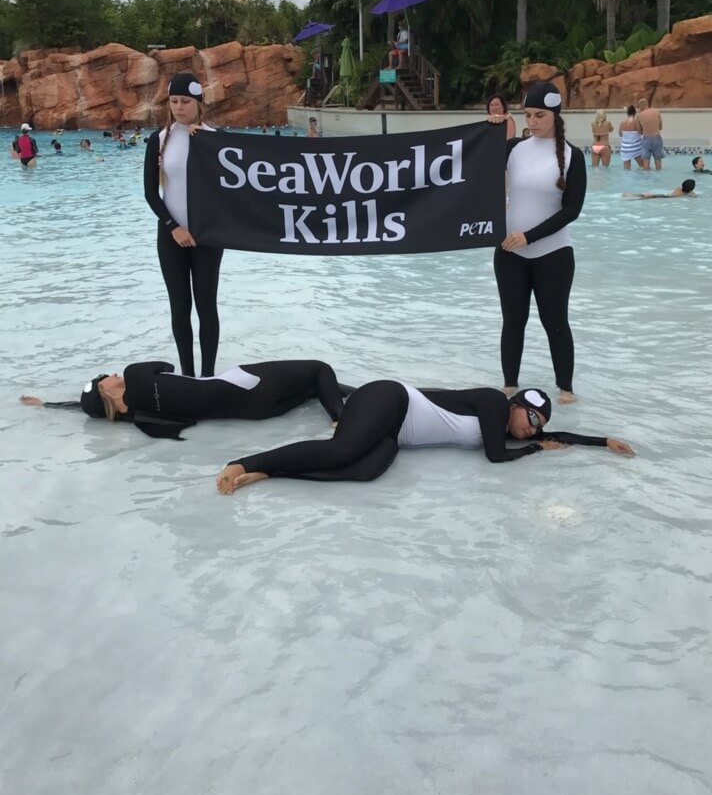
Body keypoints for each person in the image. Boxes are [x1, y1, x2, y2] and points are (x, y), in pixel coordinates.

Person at [215, 383, 634, 493]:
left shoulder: (510, 429)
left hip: (394, 431)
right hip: (391, 399)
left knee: (366, 470)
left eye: (539, 424)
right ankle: (246, 462)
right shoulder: (492, 403)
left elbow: (556, 437)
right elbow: (494, 458)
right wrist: (533, 450)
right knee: (342, 450)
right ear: (513, 405)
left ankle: (273, 474)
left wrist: (601, 442)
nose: (534, 428)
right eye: (530, 417)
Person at [488, 81, 587, 405]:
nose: (532, 121)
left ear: (555, 115)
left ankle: (566, 388)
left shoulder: (573, 157)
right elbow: (473, 168)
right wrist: (488, 132)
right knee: (513, 321)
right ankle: (509, 384)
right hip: (509, 254)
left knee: (555, 322)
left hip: (553, 254)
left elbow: (572, 210)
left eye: (539, 115)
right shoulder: (512, 148)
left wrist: (529, 236)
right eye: (528, 114)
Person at [20, 358, 350, 440]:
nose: (108, 373)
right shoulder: (134, 373)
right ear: (107, 390)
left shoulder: (139, 416)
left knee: (310, 389)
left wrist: (48, 405)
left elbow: (89, 407)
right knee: (319, 371)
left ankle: (339, 405)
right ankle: (339, 417)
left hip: (256, 411)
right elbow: (167, 366)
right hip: (245, 383)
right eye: (102, 378)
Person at [143, 72, 224, 378]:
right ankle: (187, 375)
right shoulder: (159, 140)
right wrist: (173, 226)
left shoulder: (214, 139)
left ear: (198, 103)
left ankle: (208, 376)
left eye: (185, 102)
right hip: (171, 236)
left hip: (207, 236)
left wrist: (204, 143)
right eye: (174, 101)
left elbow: (229, 192)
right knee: (180, 307)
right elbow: (151, 193)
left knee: (206, 306)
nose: (179, 107)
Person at [636, 98, 664, 170]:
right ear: (647, 104)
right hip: (657, 137)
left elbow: (639, 131)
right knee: (658, 159)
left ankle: (646, 178)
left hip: (646, 139)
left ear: (640, 106)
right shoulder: (656, 112)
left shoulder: (639, 116)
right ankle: (658, 174)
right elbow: (660, 127)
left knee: (646, 160)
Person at [619, 105, 643, 169]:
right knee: (643, 166)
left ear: (627, 113)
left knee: (626, 170)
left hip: (625, 148)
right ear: (635, 113)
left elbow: (620, 134)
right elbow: (640, 132)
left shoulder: (622, 123)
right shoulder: (636, 122)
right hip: (636, 147)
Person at [623, 179, 696, 200]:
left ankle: (631, 195)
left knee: (647, 196)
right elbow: (692, 195)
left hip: (665, 195)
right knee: (648, 197)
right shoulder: (683, 194)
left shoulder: (678, 188)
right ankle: (631, 196)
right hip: (666, 197)